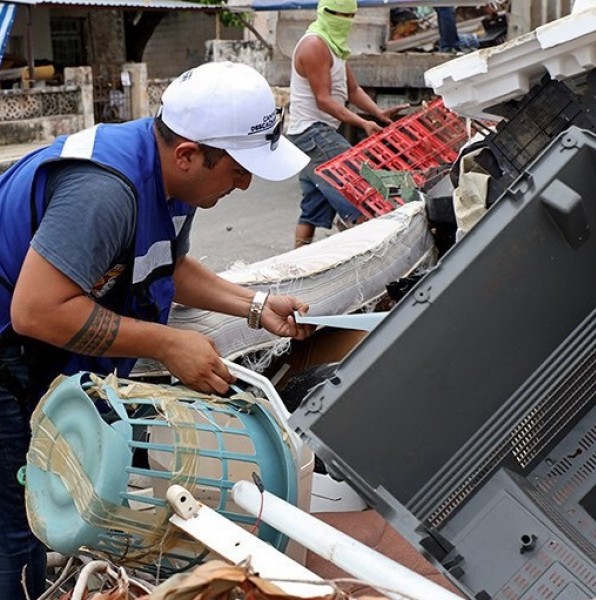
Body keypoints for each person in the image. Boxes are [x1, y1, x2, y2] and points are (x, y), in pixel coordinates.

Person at [0, 60, 315, 600]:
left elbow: (167, 263)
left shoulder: (171, 178)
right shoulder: (104, 192)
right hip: (11, 345)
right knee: (18, 523)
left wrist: (255, 304)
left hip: (32, 349)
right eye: (239, 167)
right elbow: (38, 311)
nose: (245, 183)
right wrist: (169, 343)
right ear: (189, 154)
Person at [286, 0, 408, 247]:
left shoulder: (334, 46)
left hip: (314, 131)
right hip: (312, 131)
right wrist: (363, 123)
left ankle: (295, 262)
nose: (345, 20)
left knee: (313, 205)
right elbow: (324, 100)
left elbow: (352, 90)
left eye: (350, 15)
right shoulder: (314, 45)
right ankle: (368, 251)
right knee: (358, 189)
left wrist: (379, 113)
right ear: (324, 12)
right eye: (339, 14)